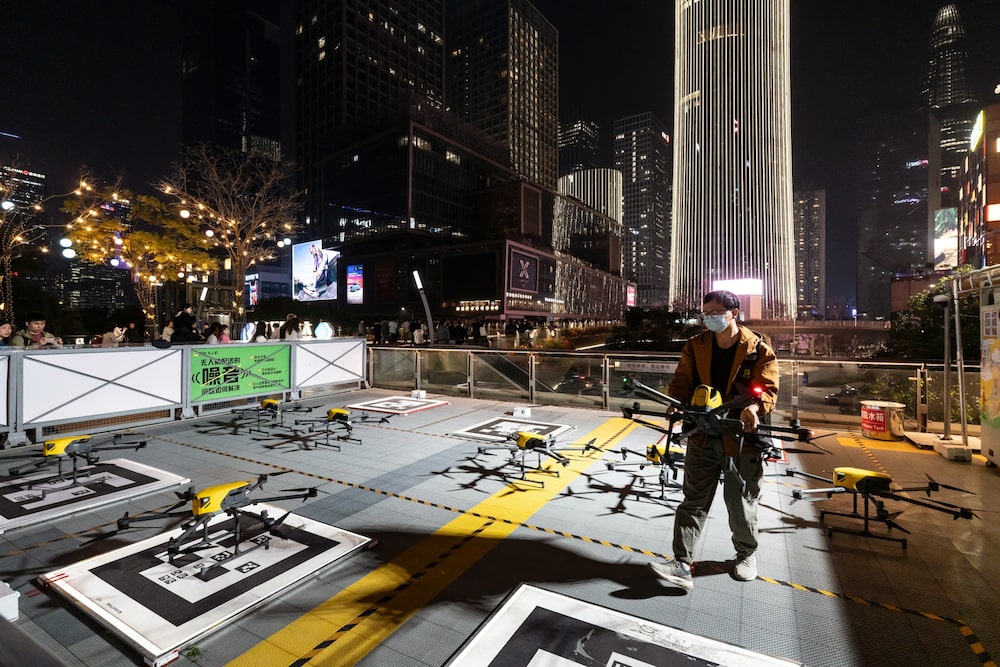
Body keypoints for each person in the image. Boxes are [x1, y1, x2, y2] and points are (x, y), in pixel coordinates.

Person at [648, 290, 779, 593]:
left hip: (741, 438)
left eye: (716, 312)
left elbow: (768, 389)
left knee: (741, 502)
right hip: (703, 433)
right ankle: (682, 564)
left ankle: (746, 556)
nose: (709, 317)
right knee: (693, 500)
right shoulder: (697, 345)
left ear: (733, 313)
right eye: (705, 312)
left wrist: (754, 407)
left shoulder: (758, 350)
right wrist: (677, 402)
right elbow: (683, 379)